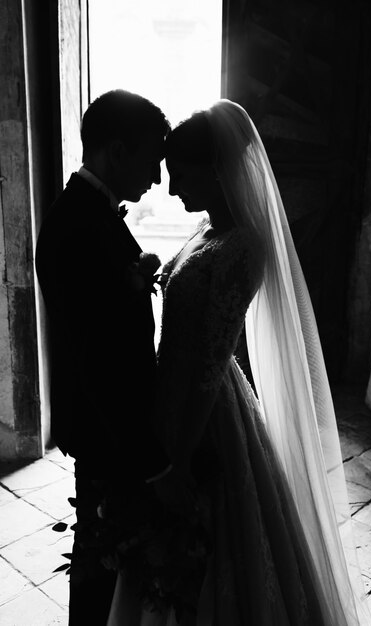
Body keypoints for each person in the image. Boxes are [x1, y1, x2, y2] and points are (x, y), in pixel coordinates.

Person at [107, 99, 371, 625]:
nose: (172, 188)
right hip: (172, 390)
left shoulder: (245, 245)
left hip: (204, 412)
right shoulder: (207, 229)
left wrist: (179, 458)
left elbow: (210, 364)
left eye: (181, 175)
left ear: (216, 170)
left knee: (213, 543)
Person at [35, 90, 189, 626]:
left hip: (107, 432)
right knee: (101, 564)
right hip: (110, 436)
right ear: (118, 152)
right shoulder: (76, 225)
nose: (156, 177)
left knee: (105, 561)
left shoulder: (89, 213)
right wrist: (153, 462)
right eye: (151, 161)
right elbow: (99, 359)